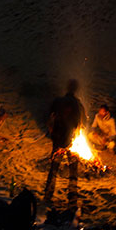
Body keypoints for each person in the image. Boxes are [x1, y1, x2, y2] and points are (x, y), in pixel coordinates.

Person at [44, 78, 87, 208]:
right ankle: (72, 198)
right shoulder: (78, 104)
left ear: (67, 88)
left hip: (57, 140)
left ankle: (48, 195)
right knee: (73, 170)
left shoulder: (57, 102)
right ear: (75, 89)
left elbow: (49, 119)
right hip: (72, 142)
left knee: (54, 168)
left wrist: (52, 133)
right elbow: (83, 124)